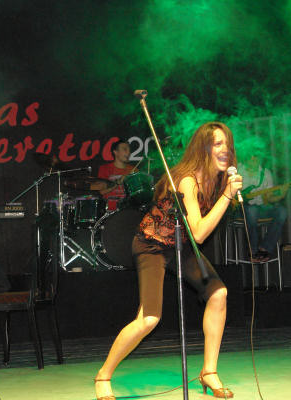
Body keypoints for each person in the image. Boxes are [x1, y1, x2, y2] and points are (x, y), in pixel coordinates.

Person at [94, 122, 242, 400]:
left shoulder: (218, 180)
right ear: (204, 149)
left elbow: (194, 236)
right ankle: (103, 374)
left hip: (181, 246)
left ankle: (209, 372)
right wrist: (226, 196)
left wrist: (225, 193)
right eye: (217, 144)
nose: (225, 149)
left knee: (218, 294)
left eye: (227, 144)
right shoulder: (187, 180)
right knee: (149, 319)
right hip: (152, 245)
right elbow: (199, 233)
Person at [237, 153, 287, 263]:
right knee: (252, 210)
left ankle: (265, 248)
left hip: (260, 208)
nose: (255, 160)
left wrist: (281, 195)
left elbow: (269, 198)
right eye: (252, 158)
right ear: (247, 159)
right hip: (240, 209)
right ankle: (253, 251)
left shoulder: (265, 173)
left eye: (257, 158)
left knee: (282, 211)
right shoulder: (238, 170)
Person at [94, 139, 135, 211]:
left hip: (128, 210)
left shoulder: (134, 170)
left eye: (129, 150)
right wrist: (117, 182)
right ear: (115, 152)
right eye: (125, 149)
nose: (128, 153)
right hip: (109, 211)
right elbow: (100, 192)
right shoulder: (104, 169)